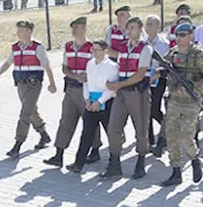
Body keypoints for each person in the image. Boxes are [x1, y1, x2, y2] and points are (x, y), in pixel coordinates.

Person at [0, 20, 57, 158]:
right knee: (31, 111)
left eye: (20, 30)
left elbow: (47, 66)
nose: (17, 33)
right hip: (20, 84)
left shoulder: (38, 47)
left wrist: (52, 84)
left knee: (25, 113)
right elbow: (8, 62)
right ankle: (44, 135)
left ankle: (17, 144)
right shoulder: (16, 47)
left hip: (34, 84)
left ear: (28, 31)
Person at [43, 17, 102, 167]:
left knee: (90, 121)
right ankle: (59, 154)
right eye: (72, 27)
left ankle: (95, 150)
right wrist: (75, 76)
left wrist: (87, 77)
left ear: (84, 28)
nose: (73, 30)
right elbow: (64, 67)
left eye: (76, 27)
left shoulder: (91, 47)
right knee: (66, 120)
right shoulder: (68, 46)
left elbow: (98, 66)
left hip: (87, 90)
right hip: (71, 88)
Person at [161, 22, 203, 186]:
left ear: (191, 36)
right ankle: (176, 171)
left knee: (186, 136)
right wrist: (157, 74)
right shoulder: (173, 53)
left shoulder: (199, 54)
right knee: (171, 136)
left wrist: (194, 85)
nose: (179, 38)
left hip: (191, 101)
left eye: (183, 35)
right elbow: (164, 67)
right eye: (177, 35)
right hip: (174, 100)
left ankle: (195, 158)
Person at [101, 16, 153, 179]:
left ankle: (140, 162)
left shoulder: (145, 48)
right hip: (121, 93)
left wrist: (118, 85)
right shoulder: (123, 47)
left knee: (141, 129)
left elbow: (140, 75)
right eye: (128, 28)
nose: (129, 31)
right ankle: (115, 162)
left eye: (133, 28)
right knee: (113, 127)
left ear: (140, 29)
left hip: (137, 93)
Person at [65, 39, 119, 174]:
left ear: (105, 51)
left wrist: (99, 102)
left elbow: (112, 88)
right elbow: (86, 83)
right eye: (92, 50)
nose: (94, 52)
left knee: (111, 135)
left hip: (106, 103)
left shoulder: (112, 66)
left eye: (97, 50)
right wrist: (87, 99)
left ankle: (115, 165)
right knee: (86, 134)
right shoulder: (90, 64)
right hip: (91, 103)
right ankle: (78, 164)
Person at [144, 15, 170, 155]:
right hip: (145, 78)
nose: (148, 27)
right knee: (146, 110)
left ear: (158, 27)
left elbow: (165, 63)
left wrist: (156, 74)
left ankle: (166, 130)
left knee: (154, 108)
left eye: (151, 24)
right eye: (147, 24)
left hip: (158, 79)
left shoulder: (163, 43)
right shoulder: (142, 41)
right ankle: (149, 141)